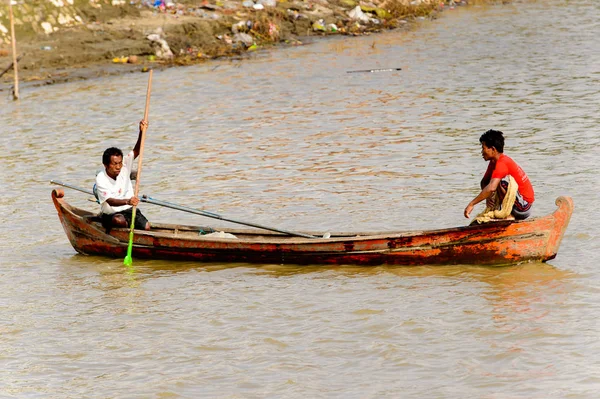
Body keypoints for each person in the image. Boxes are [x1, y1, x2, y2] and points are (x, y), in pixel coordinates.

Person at [464, 129, 534, 220]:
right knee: (493, 181)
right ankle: (506, 214)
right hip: (518, 204)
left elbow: (492, 187)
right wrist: (488, 198)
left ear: (493, 149)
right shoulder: (494, 163)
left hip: (524, 207)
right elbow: (484, 182)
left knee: (501, 182)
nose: (482, 152)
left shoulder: (502, 163)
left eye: (483, 148)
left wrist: (471, 204)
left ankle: (509, 216)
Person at [94, 120, 151, 232]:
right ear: (106, 164)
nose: (119, 167)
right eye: (115, 164)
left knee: (147, 227)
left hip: (129, 210)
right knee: (119, 221)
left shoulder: (124, 165)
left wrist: (142, 132)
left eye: (120, 163)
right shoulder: (101, 178)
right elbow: (110, 201)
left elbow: (137, 150)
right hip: (112, 214)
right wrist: (128, 201)